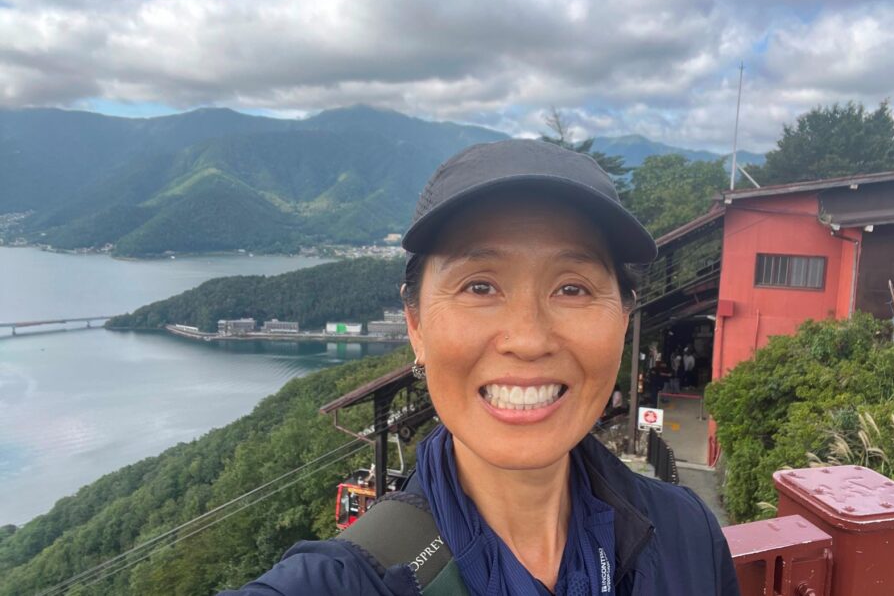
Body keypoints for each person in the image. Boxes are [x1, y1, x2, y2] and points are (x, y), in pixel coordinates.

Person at [220, 138, 739, 595]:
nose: (529, 339)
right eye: (480, 286)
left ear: (624, 320)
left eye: (573, 288)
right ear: (416, 327)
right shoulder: (341, 582)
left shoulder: (688, 534)